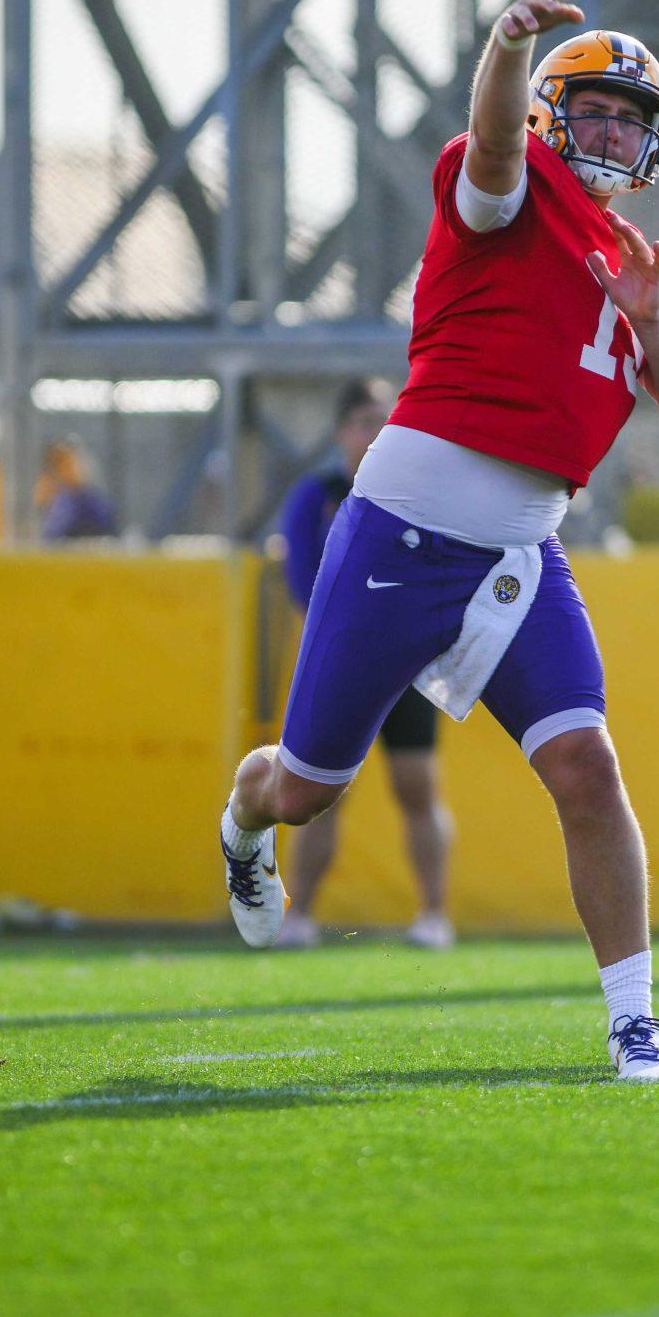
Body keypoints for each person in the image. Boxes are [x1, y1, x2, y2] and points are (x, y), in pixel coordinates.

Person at [218, 0, 659, 1083]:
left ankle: (636, 1021)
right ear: (553, 114)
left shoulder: (630, 254)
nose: (612, 134)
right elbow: (495, 140)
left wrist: (650, 320)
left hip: (519, 557)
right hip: (401, 531)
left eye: (631, 121)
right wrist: (506, 43)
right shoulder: (513, 182)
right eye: (592, 111)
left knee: (589, 770)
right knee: (309, 789)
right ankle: (245, 817)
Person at [273, 378, 454, 950]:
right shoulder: (317, 495)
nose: (376, 434)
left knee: (416, 786)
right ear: (341, 432)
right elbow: (302, 577)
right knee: (314, 794)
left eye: (387, 420)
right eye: (365, 422)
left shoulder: (420, 494)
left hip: (410, 669)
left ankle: (434, 915)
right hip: (340, 662)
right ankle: (299, 916)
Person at [35, 437, 116, 540]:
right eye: (58, 464)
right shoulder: (51, 494)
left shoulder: (89, 503)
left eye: (68, 463)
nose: (66, 469)